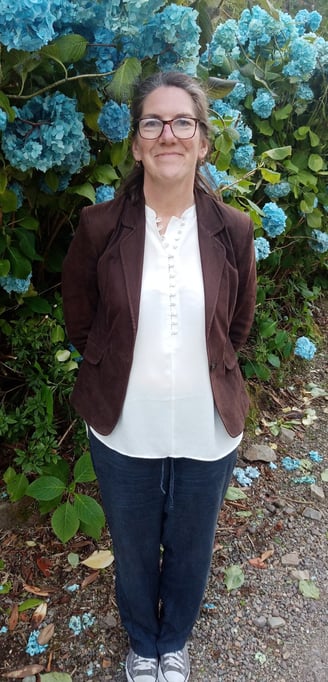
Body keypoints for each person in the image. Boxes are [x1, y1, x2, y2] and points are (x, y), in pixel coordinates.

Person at [62, 71, 257, 682]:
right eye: (154, 121)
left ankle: (174, 642)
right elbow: (80, 321)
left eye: (183, 123)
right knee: (136, 548)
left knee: (193, 548)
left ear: (203, 142)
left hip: (206, 425)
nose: (168, 133)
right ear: (137, 141)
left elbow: (238, 327)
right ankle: (142, 645)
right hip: (124, 426)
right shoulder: (98, 227)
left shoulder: (234, 230)